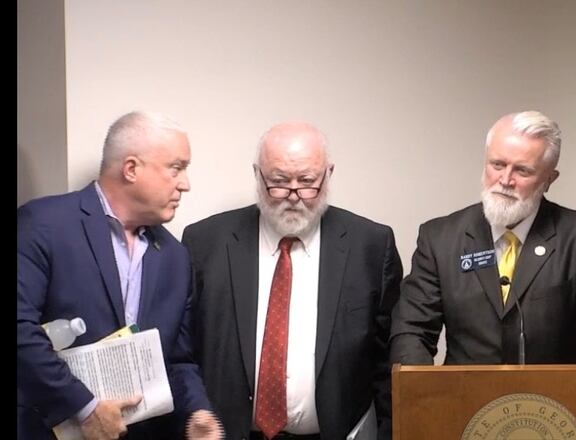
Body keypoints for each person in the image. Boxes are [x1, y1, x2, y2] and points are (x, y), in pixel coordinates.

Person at [389, 110, 576, 411]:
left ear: (549, 179)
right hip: (463, 408)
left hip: (554, 411)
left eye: (522, 171)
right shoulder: (440, 238)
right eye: (497, 165)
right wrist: (421, 396)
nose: (505, 180)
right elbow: (413, 329)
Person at [182, 121, 402, 440]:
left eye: (308, 182)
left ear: (328, 174)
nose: (294, 195)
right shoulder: (205, 242)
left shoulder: (370, 245)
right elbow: (184, 351)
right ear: (257, 175)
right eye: (279, 182)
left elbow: (387, 362)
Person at [17, 111, 223, 440]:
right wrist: (85, 408)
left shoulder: (175, 257)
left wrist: (196, 411)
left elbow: (177, 360)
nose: (185, 184)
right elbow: (20, 328)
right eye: (176, 168)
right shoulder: (43, 224)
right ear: (131, 169)